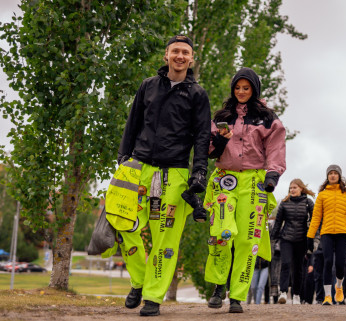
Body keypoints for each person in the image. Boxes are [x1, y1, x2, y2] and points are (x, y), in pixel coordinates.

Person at [104, 35, 211, 316]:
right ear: (166, 55)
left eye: (185, 52)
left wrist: (199, 173)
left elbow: (202, 137)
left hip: (174, 172)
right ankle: (139, 280)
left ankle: (152, 297)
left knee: (165, 240)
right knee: (125, 224)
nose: (179, 56)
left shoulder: (198, 94)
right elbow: (133, 122)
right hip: (138, 167)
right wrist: (122, 158)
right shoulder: (148, 86)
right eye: (175, 51)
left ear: (191, 58)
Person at [203, 67, 286, 313]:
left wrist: (273, 174)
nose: (241, 92)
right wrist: (219, 140)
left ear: (254, 89)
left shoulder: (268, 119)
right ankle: (219, 285)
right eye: (237, 87)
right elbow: (209, 150)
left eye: (246, 88)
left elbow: (276, 147)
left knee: (247, 239)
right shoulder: (223, 116)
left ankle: (238, 295)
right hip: (224, 179)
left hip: (253, 182)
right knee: (221, 232)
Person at [306, 165, 346, 305]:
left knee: (340, 264)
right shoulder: (322, 194)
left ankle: (339, 287)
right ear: (327, 176)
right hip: (327, 232)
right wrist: (310, 236)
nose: (332, 175)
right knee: (328, 261)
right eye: (330, 173)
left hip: (343, 233)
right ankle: (327, 296)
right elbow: (316, 217)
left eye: (335, 173)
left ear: (339, 176)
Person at [271, 179, 315, 304]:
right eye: (290, 188)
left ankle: (296, 295)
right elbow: (278, 222)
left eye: (295, 187)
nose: (292, 190)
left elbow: (315, 220)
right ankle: (283, 292)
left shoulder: (308, 203)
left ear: (301, 188)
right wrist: (273, 238)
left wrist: (313, 238)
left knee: (298, 268)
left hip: (302, 240)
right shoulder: (284, 203)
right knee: (285, 264)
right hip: (286, 239)